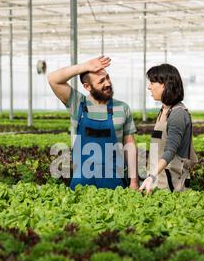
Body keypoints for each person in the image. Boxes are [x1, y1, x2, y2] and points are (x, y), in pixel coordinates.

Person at [47, 56, 139, 190]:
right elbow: (53, 79)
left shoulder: (122, 108)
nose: (107, 83)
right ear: (87, 86)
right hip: (81, 181)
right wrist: (84, 67)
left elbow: (130, 146)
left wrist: (134, 182)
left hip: (113, 181)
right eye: (101, 81)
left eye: (107, 78)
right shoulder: (77, 103)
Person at [139, 63, 198, 194]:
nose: (149, 87)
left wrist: (151, 176)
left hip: (170, 185)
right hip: (157, 180)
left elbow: (170, 151)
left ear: (165, 85)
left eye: (152, 82)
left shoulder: (177, 114)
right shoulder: (164, 110)